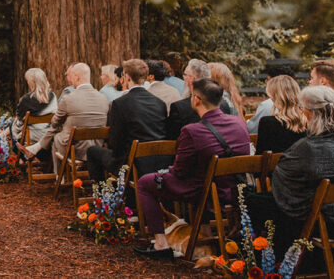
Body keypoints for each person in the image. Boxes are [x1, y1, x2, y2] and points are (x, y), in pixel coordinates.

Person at [251, 86, 334, 257]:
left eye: (301, 108)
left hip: (326, 224)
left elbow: (282, 180)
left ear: (313, 114)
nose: (300, 112)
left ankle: (272, 260)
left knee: (254, 200)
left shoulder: (308, 148)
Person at [134, 79, 251, 259]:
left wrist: (166, 172)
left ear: (196, 99)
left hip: (203, 189)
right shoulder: (239, 123)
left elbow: (180, 171)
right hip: (233, 189)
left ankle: (161, 243)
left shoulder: (192, 131)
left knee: (144, 183)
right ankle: (203, 231)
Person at [87, 59, 170, 184]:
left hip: (132, 164)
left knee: (92, 151)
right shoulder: (159, 103)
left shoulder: (119, 104)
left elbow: (115, 142)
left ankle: (102, 196)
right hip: (160, 163)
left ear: (127, 77)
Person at [23, 63, 108, 169]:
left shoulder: (68, 99)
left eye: (71, 75)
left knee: (57, 135)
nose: (70, 79)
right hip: (97, 147)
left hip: (74, 150)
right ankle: (36, 148)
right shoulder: (104, 98)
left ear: (77, 77)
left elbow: (54, 122)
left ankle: (59, 177)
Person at [255, 75, 306, 154]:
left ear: (274, 97)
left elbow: (261, 154)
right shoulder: (309, 120)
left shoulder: (268, 122)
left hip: (278, 165)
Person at [9, 68, 58, 146]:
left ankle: (19, 151)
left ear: (31, 83)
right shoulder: (53, 96)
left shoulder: (25, 99)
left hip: (32, 136)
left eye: (28, 80)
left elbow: (19, 121)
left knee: (12, 124)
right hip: (48, 135)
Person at [166, 59, 211, 139]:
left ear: (192, 79)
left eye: (185, 75)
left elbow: (171, 137)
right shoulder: (223, 104)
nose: (184, 78)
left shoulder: (179, 107)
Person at [246, 66, 296, 134]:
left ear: (274, 83)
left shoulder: (267, 105)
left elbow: (252, 129)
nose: (266, 84)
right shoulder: (303, 105)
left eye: (268, 80)